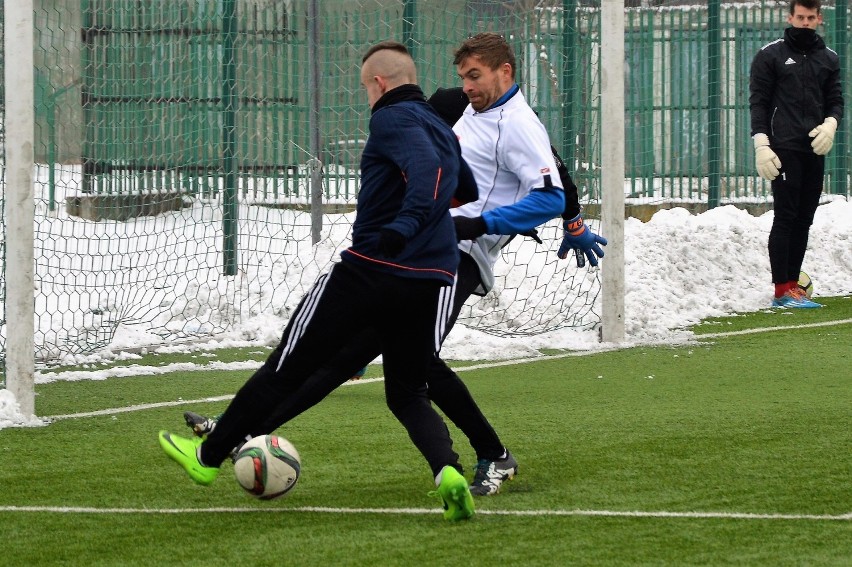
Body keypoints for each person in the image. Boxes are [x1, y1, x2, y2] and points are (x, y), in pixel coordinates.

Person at [182, 33, 607, 499]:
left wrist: (542, 220)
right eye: (462, 76)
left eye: (475, 76)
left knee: (412, 366)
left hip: (456, 258)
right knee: (351, 355)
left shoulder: (520, 124)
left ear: (506, 71)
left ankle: (493, 454)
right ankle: (241, 429)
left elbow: (552, 182)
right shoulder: (458, 106)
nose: (465, 86)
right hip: (418, 253)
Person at [158, 40, 477, 522]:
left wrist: (403, 227)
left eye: (365, 88)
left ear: (379, 83)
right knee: (408, 392)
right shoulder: (441, 127)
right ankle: (447, 471)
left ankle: (205, 459)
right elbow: (464, 188)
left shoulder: (391, 118)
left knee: (283, 368)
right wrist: (424, 223)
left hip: (371, 270)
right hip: (429, 282)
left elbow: (428, 173)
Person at [749, 0, 843, 308]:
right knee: (786, 216)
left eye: (810, 18)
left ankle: (794, 288)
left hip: (814, 148)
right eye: (799, 17)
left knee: (805, 218)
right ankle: (781, 290)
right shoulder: (770, 55)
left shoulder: (829, 58)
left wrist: (830, 125)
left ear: (819, 19)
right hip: (783, 147)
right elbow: (759, 102)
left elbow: (836, 100)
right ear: (790, 17)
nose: (804, 22)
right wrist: (762, 144)